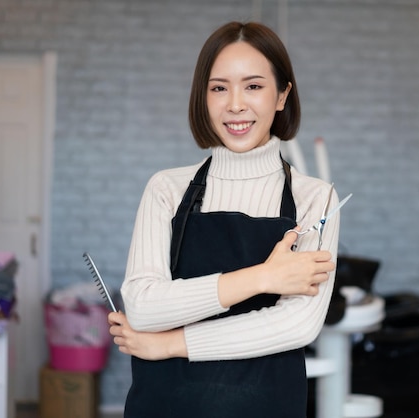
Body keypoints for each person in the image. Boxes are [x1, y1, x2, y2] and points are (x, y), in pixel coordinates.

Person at [108, 21, 342, 418]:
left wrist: (169, 343)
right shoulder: (166, 188)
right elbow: (143, 307)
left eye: (253, 86)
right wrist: (264, 278)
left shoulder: (315, 198)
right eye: (219, 88)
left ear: (282, 95)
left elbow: (297, 324)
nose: (235, 104)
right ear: (203, 97)